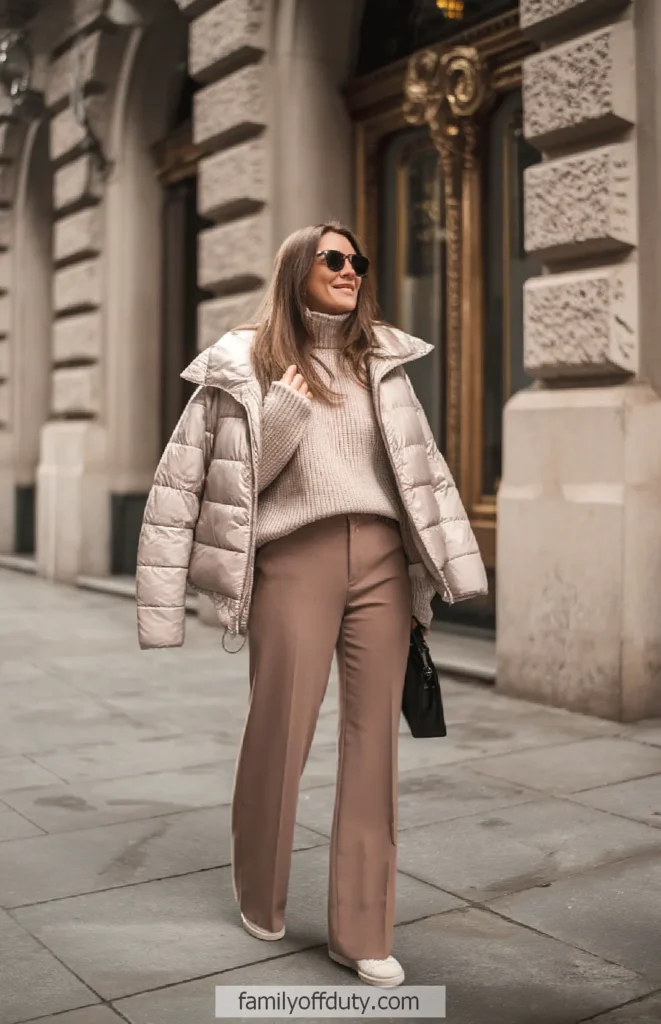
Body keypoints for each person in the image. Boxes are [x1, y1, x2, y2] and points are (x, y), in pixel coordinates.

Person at [136, 222, 487, 988]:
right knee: (280, 729)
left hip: (382, 564)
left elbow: (423, 470)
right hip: (293, 561)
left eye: (357, 259)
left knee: (374, 746)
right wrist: (282, 422)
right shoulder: (243, 363)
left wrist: (441, 570)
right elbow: (188, 488)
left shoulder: (379, 362)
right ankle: (258, 890)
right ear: (296, 269)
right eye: (333, 258)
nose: (350, 269)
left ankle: (361, 931)